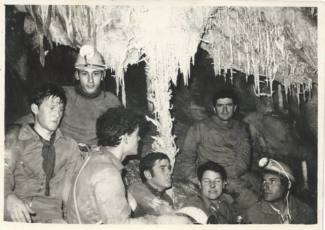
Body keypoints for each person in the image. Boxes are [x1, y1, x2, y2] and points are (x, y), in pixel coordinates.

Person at [66, 108, 191, 224]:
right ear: (125, 138)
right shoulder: (107, 174)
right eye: (136, 134)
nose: (139, 138)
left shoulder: (94, 158)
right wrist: (162, 221)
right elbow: (121, 226)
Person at [6, 43, 121, 150]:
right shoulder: (64, 94)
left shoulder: (111, 102)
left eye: (95, 74)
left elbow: (119, 136)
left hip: (91, 156)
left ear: (102, 75)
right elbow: (37, 114)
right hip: (61, 151)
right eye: (84, 74)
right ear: (77, 75)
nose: (90, 80)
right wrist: (14, 129)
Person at [4, 83, 82, 223]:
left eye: (61, 109)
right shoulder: (16, 140)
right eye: (52, 108)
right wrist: (7, 196)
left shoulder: (69, 147)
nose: (57, 114)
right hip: (18, 211)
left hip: (52, 216)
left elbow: (73, 188)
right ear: (35, 108)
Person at [175, 88, 257, 210]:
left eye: (228, 105)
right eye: (220, 106)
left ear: (234, 108)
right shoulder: (200, 127)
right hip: (208, 175)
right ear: (214, 108)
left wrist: (226, 179)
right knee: (252, 203)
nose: (224, 110)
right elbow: (187, 157)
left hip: (232, 177)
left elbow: (243, 160)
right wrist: (195, 178)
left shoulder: (240, 129)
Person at [244, 157, 316, 224]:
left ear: (288, 185)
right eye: (264, 181)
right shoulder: (254, 215)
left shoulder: (305, 212)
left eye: (272, 181)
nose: (265, 186)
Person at [128, 152, 174, 217]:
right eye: (162, 168)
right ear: (148, 174)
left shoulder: (167, 199)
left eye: (169, 168)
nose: (169, 172)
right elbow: (134, 189)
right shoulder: (137, 192)